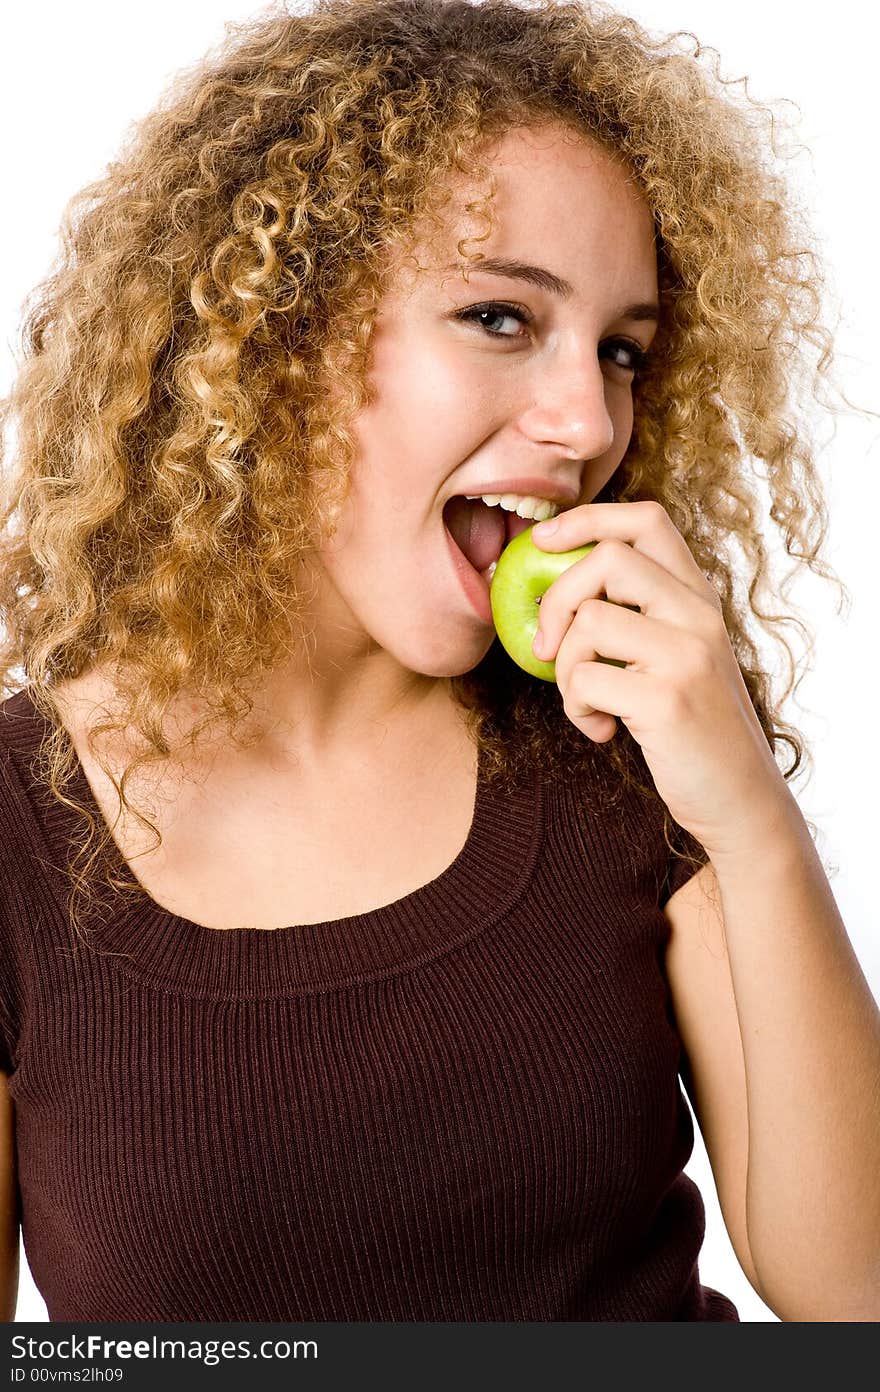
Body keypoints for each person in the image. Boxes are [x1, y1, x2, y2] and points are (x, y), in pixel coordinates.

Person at [1, 0, 878, 1324]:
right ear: (279, 341)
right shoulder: (18, 825)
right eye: (499, 317)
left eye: (622, 351)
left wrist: (748, 812)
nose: (588, 421)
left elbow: (856, 1301)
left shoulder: (628, 734)